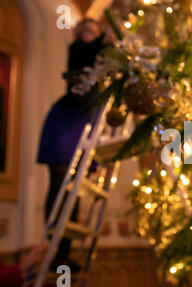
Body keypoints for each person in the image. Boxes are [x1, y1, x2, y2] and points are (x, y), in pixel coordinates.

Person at [37, 18, 112, 272]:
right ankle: (51, 246)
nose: (89, 34)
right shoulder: (77, 50)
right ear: (79, 34)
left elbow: (102, 55)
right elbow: (89, 51)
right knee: (59, 181)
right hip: (64, 121)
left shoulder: (100, 61)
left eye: (94, 30)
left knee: (75, 187)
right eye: (86, 31)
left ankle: (64, 252)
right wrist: (104, 39)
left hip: (83, 123)